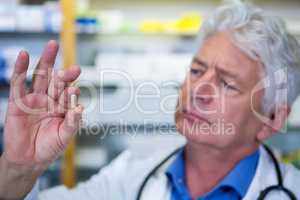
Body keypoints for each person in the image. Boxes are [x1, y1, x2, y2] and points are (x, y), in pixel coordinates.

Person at [1, 2, 300, 200]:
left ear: (271, 118)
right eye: (196, 70)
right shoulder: (133, 172)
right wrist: (19, 168)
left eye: (227, 83)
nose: (197, 89)